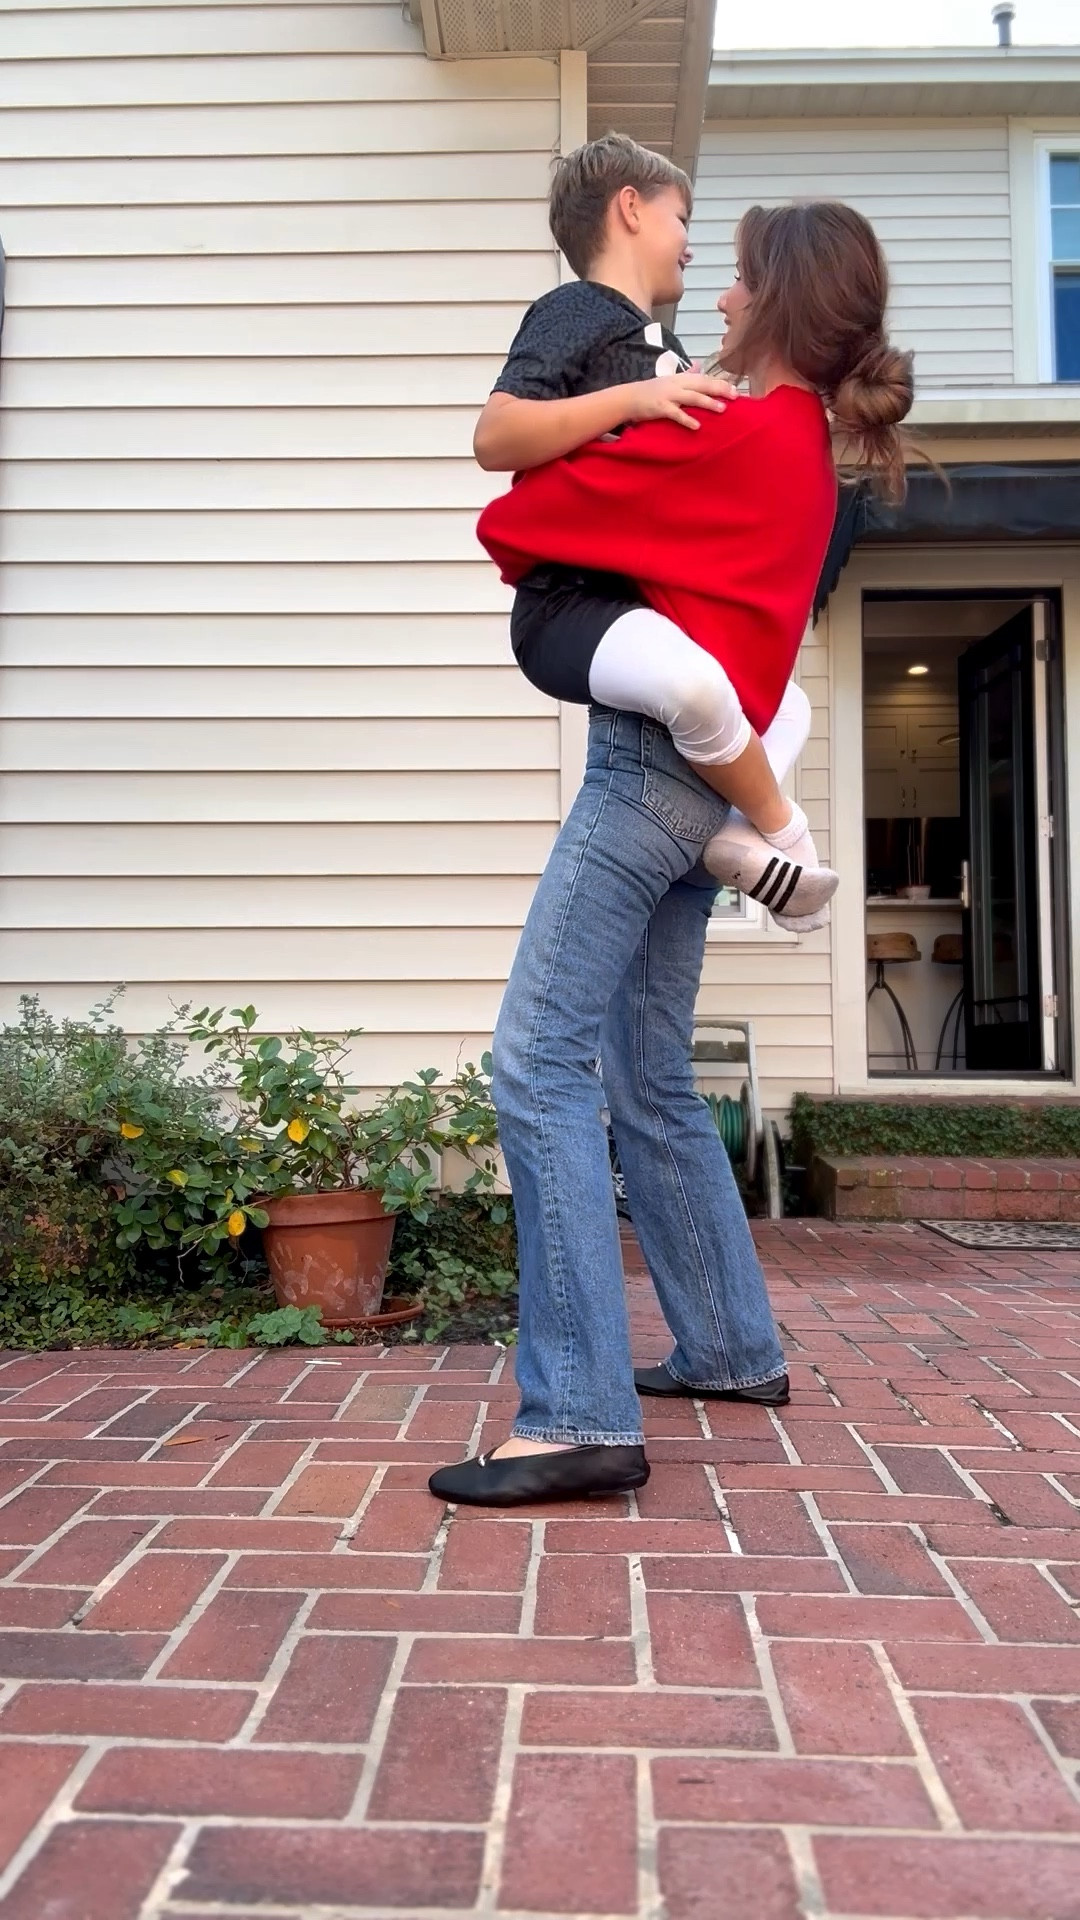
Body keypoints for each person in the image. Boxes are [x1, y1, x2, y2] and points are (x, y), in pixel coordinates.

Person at [429, 197, 914, 1509]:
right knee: (647, 1069)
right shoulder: (808, 451)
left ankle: (576, 1412)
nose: (723, 298)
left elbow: (516, 519)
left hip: (648, 776)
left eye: (745, 281)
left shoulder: (730, 425)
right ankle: (731, 1345)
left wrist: (626, 413)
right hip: (701, 780)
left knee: (536, 1059)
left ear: (787, 299)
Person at [471, 132, 838, 930]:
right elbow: (495, 437)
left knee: (789, 707)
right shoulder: (577, 312)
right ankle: (782, 836)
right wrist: (628, 402)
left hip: (644, 612)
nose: (693, 246)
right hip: (569, 604)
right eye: (682, 217)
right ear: (630, 211)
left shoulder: (667, 350)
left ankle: (737, 837)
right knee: (699, 690)